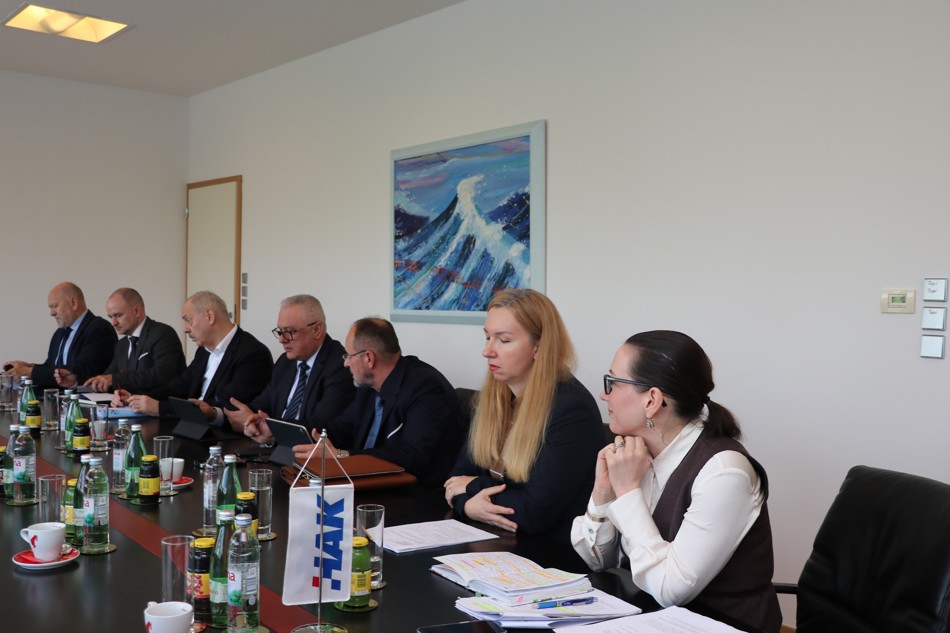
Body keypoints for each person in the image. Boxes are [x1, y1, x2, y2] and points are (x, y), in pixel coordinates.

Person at [570, 331, 781, 633]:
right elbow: (597, 561)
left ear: (652, 400)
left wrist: (627, 491)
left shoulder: (724, 473)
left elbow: (671, 590)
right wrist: (603, 490)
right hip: (649, 617)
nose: (605, 395)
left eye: (613, 382)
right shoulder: (636, 454)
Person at [444, 289, 602, 544]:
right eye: (487, 337)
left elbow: (534, 512)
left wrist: (472, 487)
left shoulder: (572, 410)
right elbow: (455, 482)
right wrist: (468, 506)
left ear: (539, 347)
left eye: (504, 340)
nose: (487, 351)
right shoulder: (494, 396)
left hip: (548, 553)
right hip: (494, 540)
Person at [249, 317, 463, 486]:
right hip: (367, 484)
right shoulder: (368, 388)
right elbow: (337, 429)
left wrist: (342, 456)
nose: (346, 364)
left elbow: (411, 457)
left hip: (417, 494)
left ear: (369, 358)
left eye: (349, 356)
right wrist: (277, 430)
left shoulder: (426, 388)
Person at [113, 290, 272, 425]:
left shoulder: (253, 354)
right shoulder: (203, 350)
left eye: (188, 321)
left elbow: (221, 407)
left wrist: (160, 408)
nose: (185, 329)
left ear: (209, 316)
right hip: (192, 427)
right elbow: (179, 386)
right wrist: (136, 399)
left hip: (221, 435)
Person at [225, 294, 355, 433]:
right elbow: (262, 407)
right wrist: (248, 419)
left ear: (316, 330)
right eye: (280, 331)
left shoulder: (341, 367)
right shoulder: (285, 362)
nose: (282, 339)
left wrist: (273, 430)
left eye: (289, 331)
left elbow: (319, 426)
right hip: (272, 444)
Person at [69, 288, 186, 393]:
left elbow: (163, 374)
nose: (113, 323)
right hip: (130, 407)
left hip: (161, 407)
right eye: (111, 317)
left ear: (137, 311)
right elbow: (108, 377)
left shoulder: (162, 333)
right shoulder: (121, 345)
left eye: (118, 315)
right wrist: (80, 381)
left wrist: (114, 380)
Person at [3, 281, 116, 389]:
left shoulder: (99, 328)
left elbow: (79, 372)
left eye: (55, 306)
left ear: (73, 303)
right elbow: (51, 368)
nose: (51, 313)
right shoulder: (60, 333)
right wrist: (28, 367)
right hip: (55, 397)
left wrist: (30, 372)